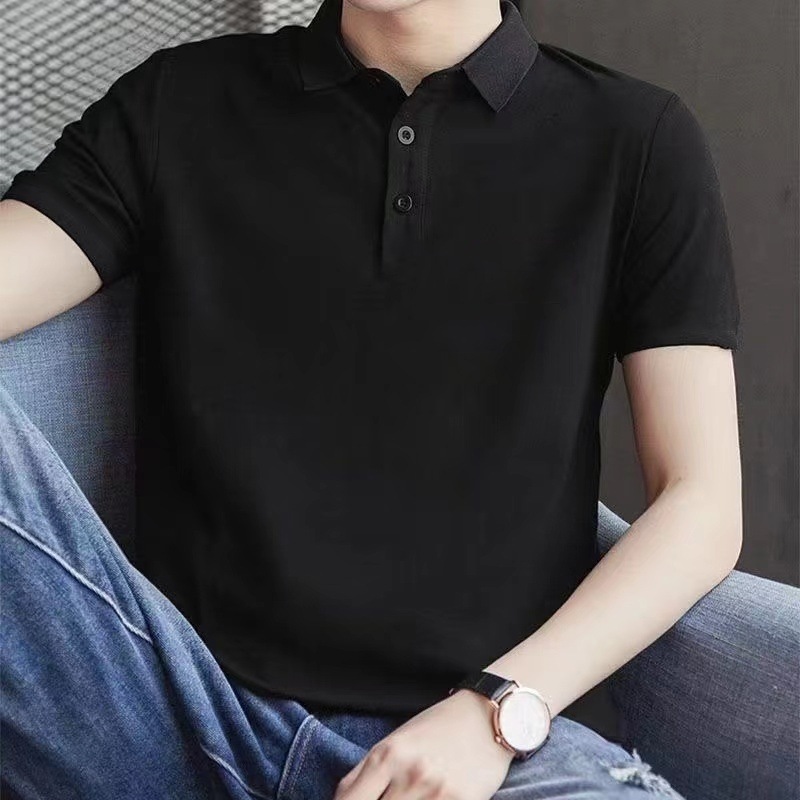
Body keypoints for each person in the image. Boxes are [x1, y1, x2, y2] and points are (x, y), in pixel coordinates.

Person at [0, 0, 743, 797]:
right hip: (167, 713)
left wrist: (501, 708)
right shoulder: (178, 101)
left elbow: (700, 502)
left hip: (478, 750)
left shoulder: (634, 140)